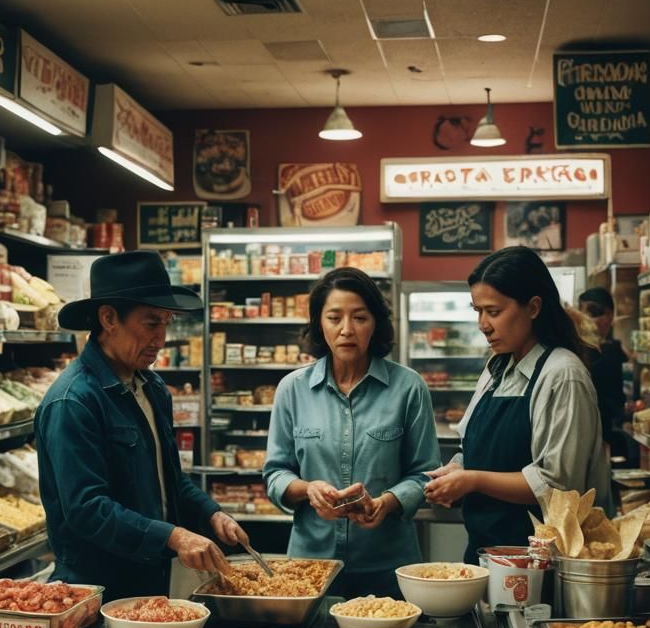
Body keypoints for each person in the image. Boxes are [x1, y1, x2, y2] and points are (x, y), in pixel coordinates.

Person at [35, 251, 246, 597]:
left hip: (154, 580)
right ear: (108, 318)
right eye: (151, 323)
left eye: (167, 323)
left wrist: (212, 514)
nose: (161, 339)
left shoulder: (151, 387)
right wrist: (174, 536)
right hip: (98, 591)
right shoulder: (73, 401)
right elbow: (87, 509)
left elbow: (169, 478)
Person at [424, 247, 611, 561]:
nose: (483, 324)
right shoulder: (497, 368)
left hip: (542, 562)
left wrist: (471, 480)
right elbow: (473, 449)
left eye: (493, 311)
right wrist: (456, 469)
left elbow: (557, 485)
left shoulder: (562, 375)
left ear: (533, 307)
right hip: (488, 553)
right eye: (477, 311)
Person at [263, 267, 440, 599]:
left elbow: (425, 474)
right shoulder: (293, 389)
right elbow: (275, 474)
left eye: (359, 317)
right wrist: (307, 489)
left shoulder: (408, 387)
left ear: (375, 323)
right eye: (334, 318)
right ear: (319, 324)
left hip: (389, 568)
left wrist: (387, 502)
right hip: (310, 569)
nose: (347, 330)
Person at [578, 286, 629, 457]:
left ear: (609, 315)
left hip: (609, 438)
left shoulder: (613, 352)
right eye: (581, 311)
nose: (586, 318)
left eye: (593, 311)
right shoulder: (578, 353)